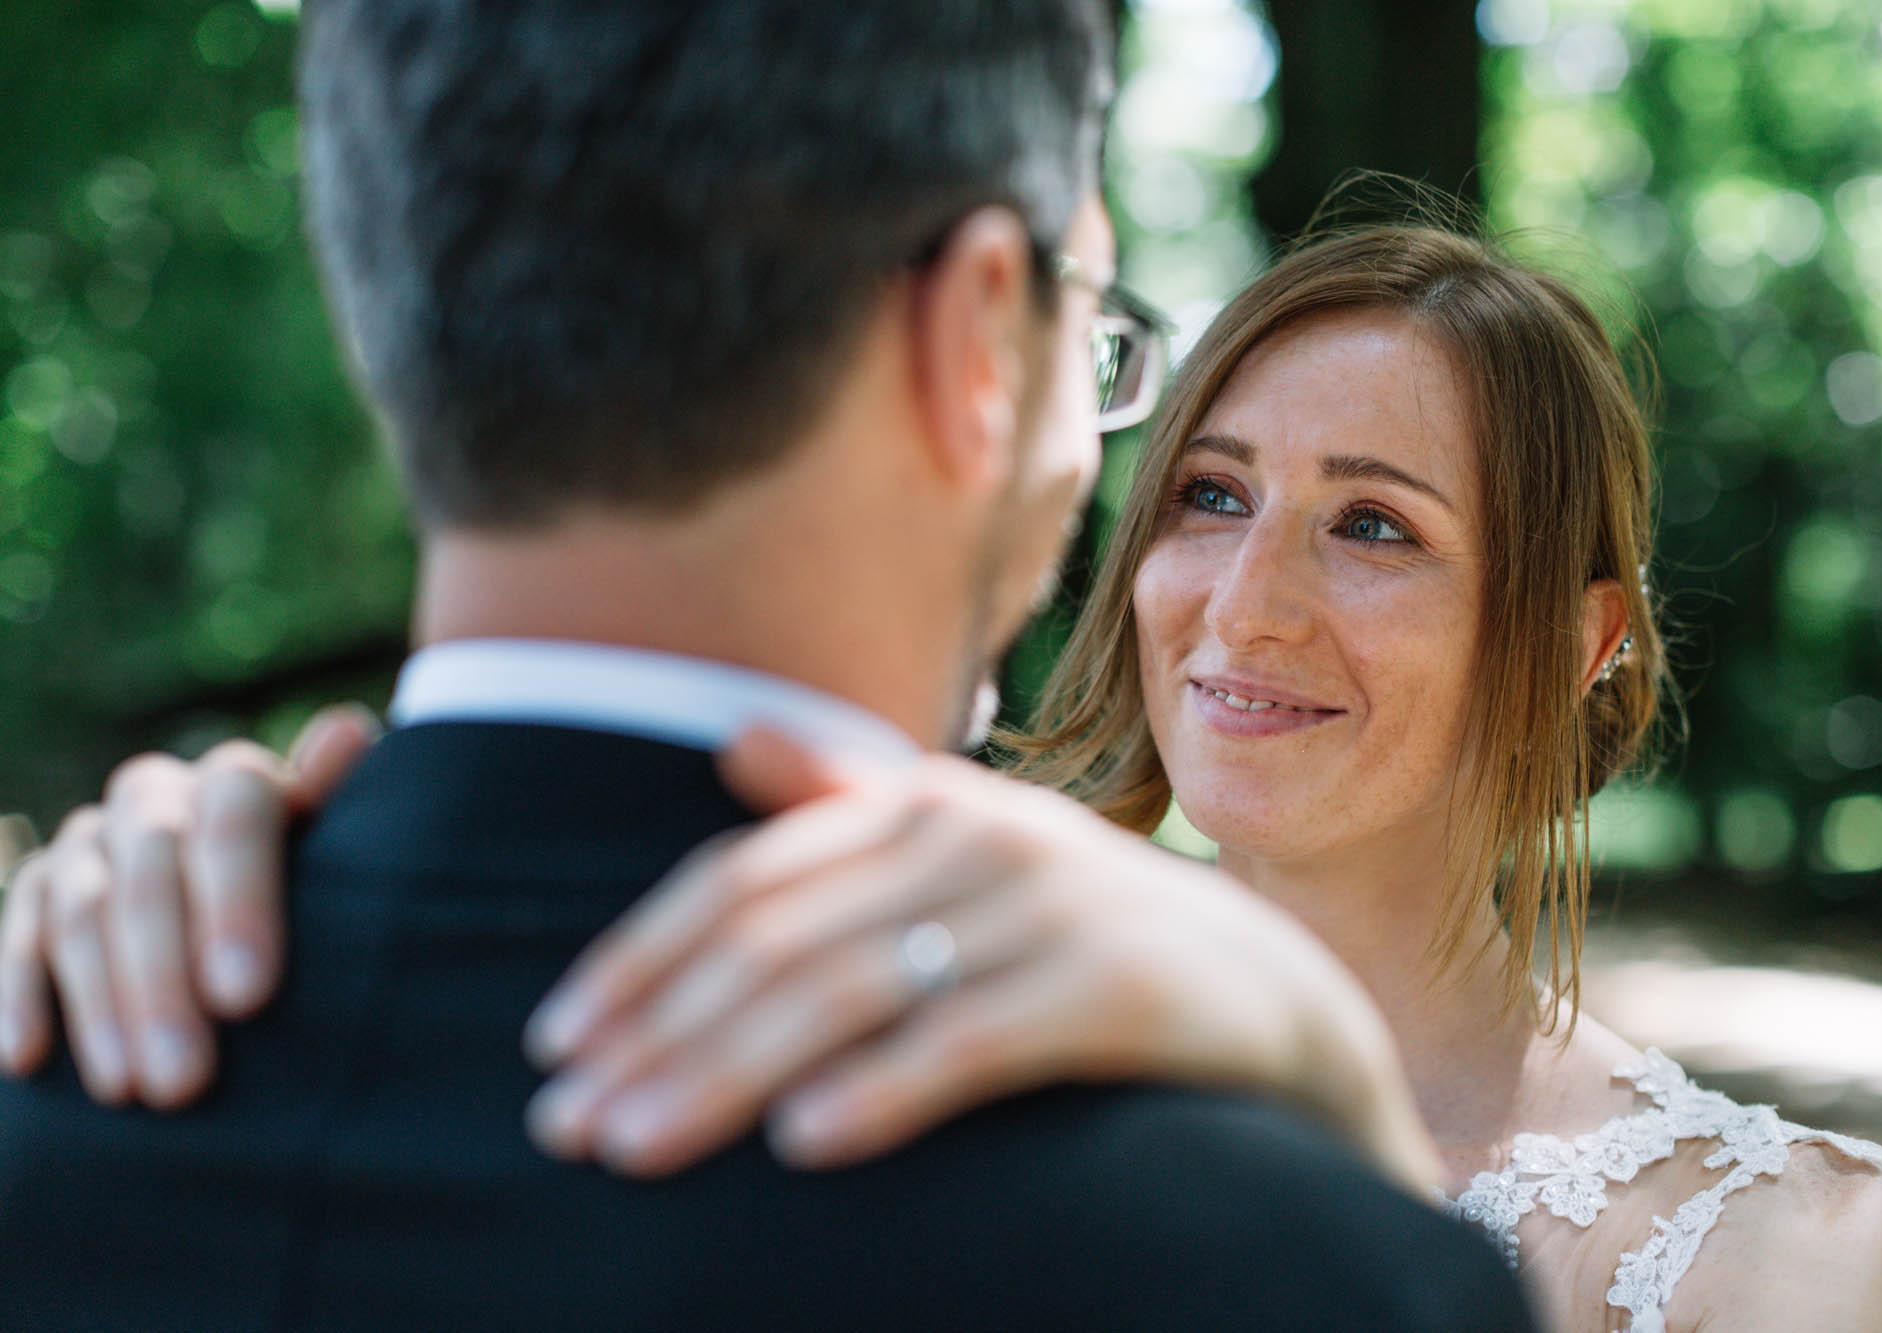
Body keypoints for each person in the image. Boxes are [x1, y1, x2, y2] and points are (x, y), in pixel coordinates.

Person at [13, 215, 1882, 1330]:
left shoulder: (1785, 1254)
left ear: (1574, 636)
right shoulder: (881, 986)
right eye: (1207, 494)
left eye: (1372, 527)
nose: (1239, 606)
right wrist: (207, 869)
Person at [0, 1, 1539, 1330]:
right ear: (983, 338)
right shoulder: (1269, 1263)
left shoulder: (60, 1075)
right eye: (1092, 331)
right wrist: (1336, 1110)